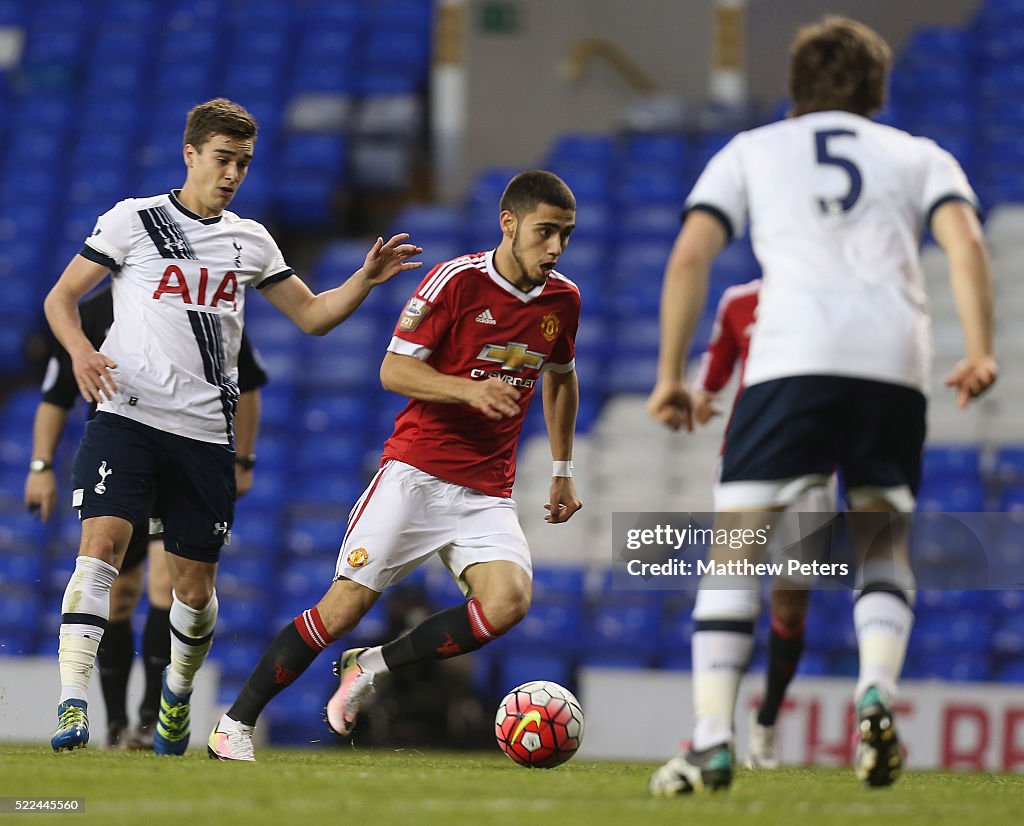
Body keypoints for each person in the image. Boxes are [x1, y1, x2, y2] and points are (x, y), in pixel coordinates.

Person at [646, 17, 995, 793]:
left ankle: (711, 737)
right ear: (877, 89)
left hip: (792, 355)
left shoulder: (752, 152)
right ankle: (876, 691)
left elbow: (690, 254)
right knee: (879, 539)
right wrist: (979, 350)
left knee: (737, 546)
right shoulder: (917, 155)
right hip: (893, 360)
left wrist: (673, 373)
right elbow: (966, 242)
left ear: (795, 88)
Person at [45, 97, 422, 755]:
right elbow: (60, 298)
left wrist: (363, 280)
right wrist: (81, 350)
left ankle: (176, 700)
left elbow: (312, 316)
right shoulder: (133, 221)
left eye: (244, 163)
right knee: (101, 544)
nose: (233, 174)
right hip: (126, 416)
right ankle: (73, 704)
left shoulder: (251, 240)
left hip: (203, 437)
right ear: (189, 154)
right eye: (223, 159)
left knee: (193, 589)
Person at [207, 169, 583, 762]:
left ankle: (372, 665)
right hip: (415, 476)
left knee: (508, 603)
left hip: (485, 492)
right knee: (343, 610)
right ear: (508, 223)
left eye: (565, 234)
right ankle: (235, 724)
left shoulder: (564, 299)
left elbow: (561, 379)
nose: (556, 247)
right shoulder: (455, 282)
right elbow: (393, 370)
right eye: (545, 232)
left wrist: (562, 467)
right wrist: (468, 391)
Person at [24, 283, 268, 749]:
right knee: (118, 593)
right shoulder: (93, 312)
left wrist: (245, 459)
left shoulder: (205, 301)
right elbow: (57, 394)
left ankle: (153, 715)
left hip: (186, 455)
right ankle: (115, 722)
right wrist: (40, 465)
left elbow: (248, 381)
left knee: (169, 584)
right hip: (123, 457)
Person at [692, 277, 830, 770]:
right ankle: (713, 732)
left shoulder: (831, 295)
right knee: (731, 578)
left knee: (790, 609)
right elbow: (715, 369)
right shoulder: (738, 302)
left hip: (814, 470)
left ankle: (766, 721)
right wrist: (701, 395)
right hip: (746, 460)